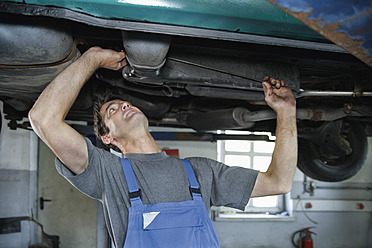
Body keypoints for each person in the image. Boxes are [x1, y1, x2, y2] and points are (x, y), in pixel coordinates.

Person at [29, 46, 297, 247]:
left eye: (126, 103)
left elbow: (279, 183)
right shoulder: (107, 172)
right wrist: (91, 58)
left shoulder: (200, 172)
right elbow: (43, 119)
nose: (125, 105)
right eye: (112, 110)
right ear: (107, 138)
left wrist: (286, 112)